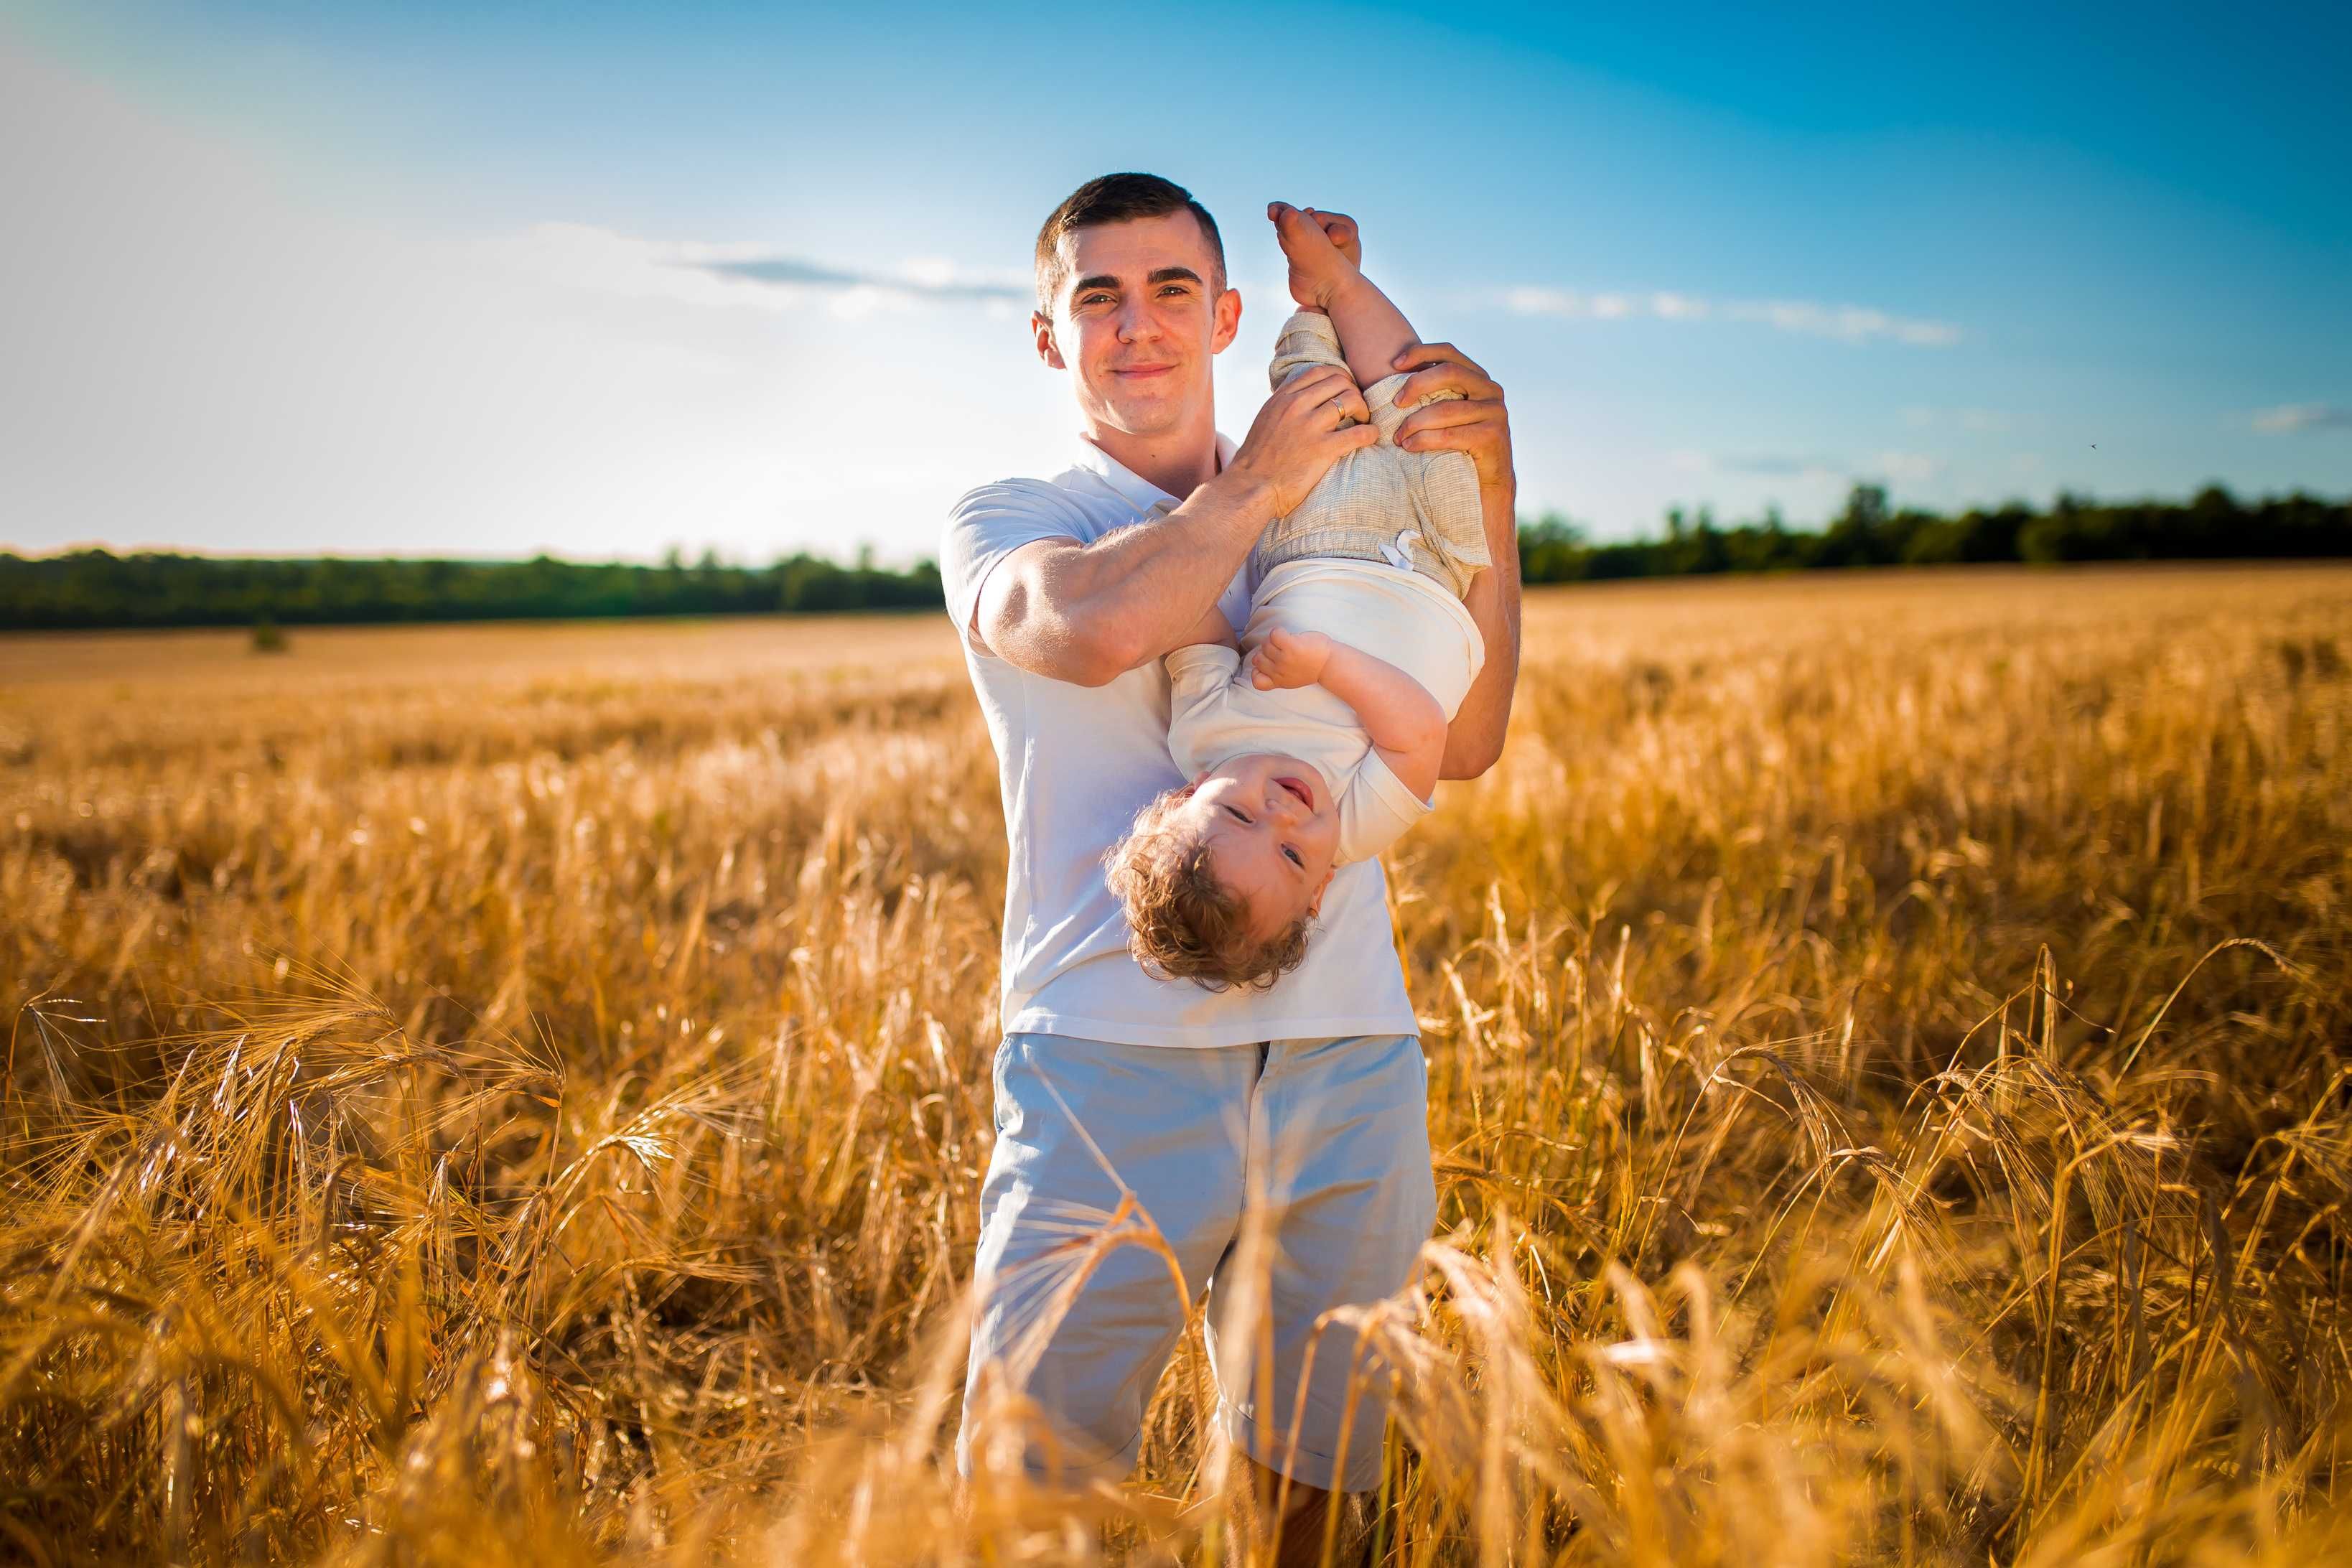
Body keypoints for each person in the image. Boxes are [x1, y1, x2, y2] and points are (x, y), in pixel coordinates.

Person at [941, 172, 1519, 1557]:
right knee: (1033, 1491)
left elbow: (1475, 732)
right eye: (1097, 297)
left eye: (1171, 290)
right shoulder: (1016, 511)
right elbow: (1076, 630)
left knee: (1311, 1473)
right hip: (1109, 1060)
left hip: (1346, 1050)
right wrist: (1258, 479)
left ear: (1226, 316)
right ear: (1048, 339)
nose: (1136, 325)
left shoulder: (1339, 503)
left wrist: (1489, 487)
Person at [1104, 200, 1493, 991]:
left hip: (1318, 542)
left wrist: (1167, 539)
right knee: (1424, 409)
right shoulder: (1356, 824)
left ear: (1185, 796)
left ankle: (1322, 299)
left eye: (1239, 815)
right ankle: (1347, 284)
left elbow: (1198, 625)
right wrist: (1323, 664)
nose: (1283, 814)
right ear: (1320, 890)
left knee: (1316, 392)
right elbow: (1420, 733)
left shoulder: (1204, 733)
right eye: (1290, 853)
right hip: (1442, 570)